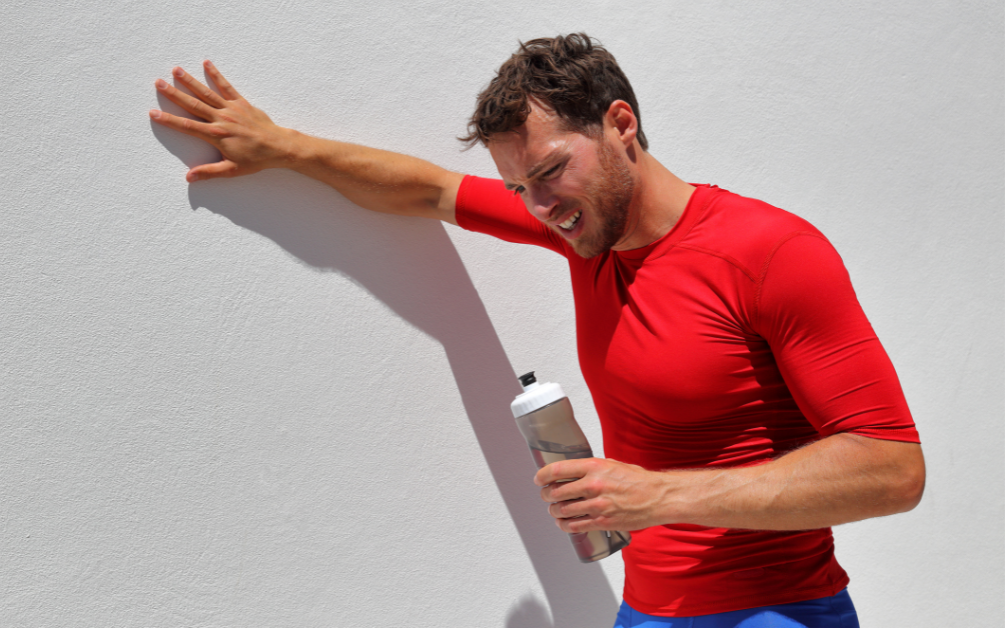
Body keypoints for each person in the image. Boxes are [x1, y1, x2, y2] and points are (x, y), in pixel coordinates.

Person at [148, 33, 924, 628]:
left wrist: (655, 495)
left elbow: (892, 469)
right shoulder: (576, 230)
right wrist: (278, 146)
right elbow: (426, 190)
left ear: (621, 125)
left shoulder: (771, 253)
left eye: (550, 172)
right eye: (519, 187)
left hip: (774, 612)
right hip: (648, 610)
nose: (539, 205)